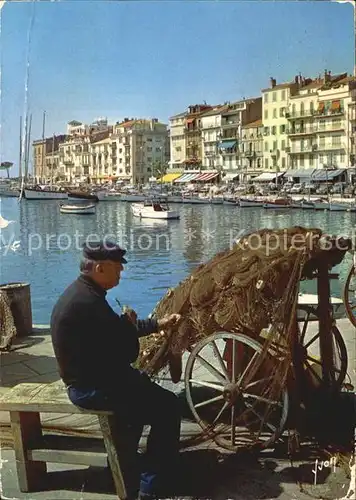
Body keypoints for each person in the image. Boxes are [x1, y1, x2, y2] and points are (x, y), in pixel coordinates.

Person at [50, 239, 182, 500]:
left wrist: (157, 323)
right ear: (99, 268)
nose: (121, 272)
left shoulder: (84, 294)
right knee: (168, 406)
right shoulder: (88, 303)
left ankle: (126, 465)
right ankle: (151, 486)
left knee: (143, 398)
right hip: (90, 388)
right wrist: (128, 325)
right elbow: (127, 354)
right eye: (117, 268)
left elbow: (114, 332)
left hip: (94, 379)